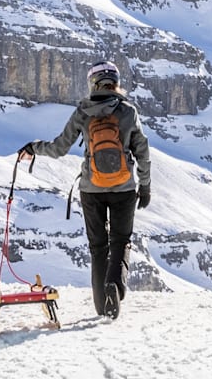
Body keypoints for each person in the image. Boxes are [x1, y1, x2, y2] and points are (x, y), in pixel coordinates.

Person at [17, 60, 151, 319]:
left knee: (98, 247)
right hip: (124, 188)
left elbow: (59, 148)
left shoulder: (83, 111)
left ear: (92, 83)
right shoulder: (128, 111)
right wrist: (145, 187)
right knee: (121, 241)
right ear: (116, 82)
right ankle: (115, 286)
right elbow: (142, 152)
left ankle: (103, 306)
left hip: (91, 189)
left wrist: (34, 147)